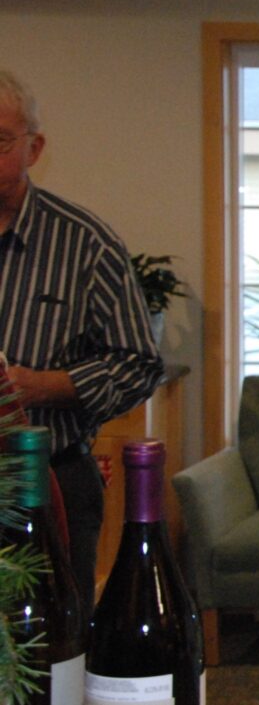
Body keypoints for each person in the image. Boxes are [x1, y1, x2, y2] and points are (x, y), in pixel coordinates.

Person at [0, 69, 163, 611]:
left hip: (48, 482)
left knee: (52, 637)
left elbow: (139, 364)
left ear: (34, 148)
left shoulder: (84, 244)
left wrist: (40, 386)